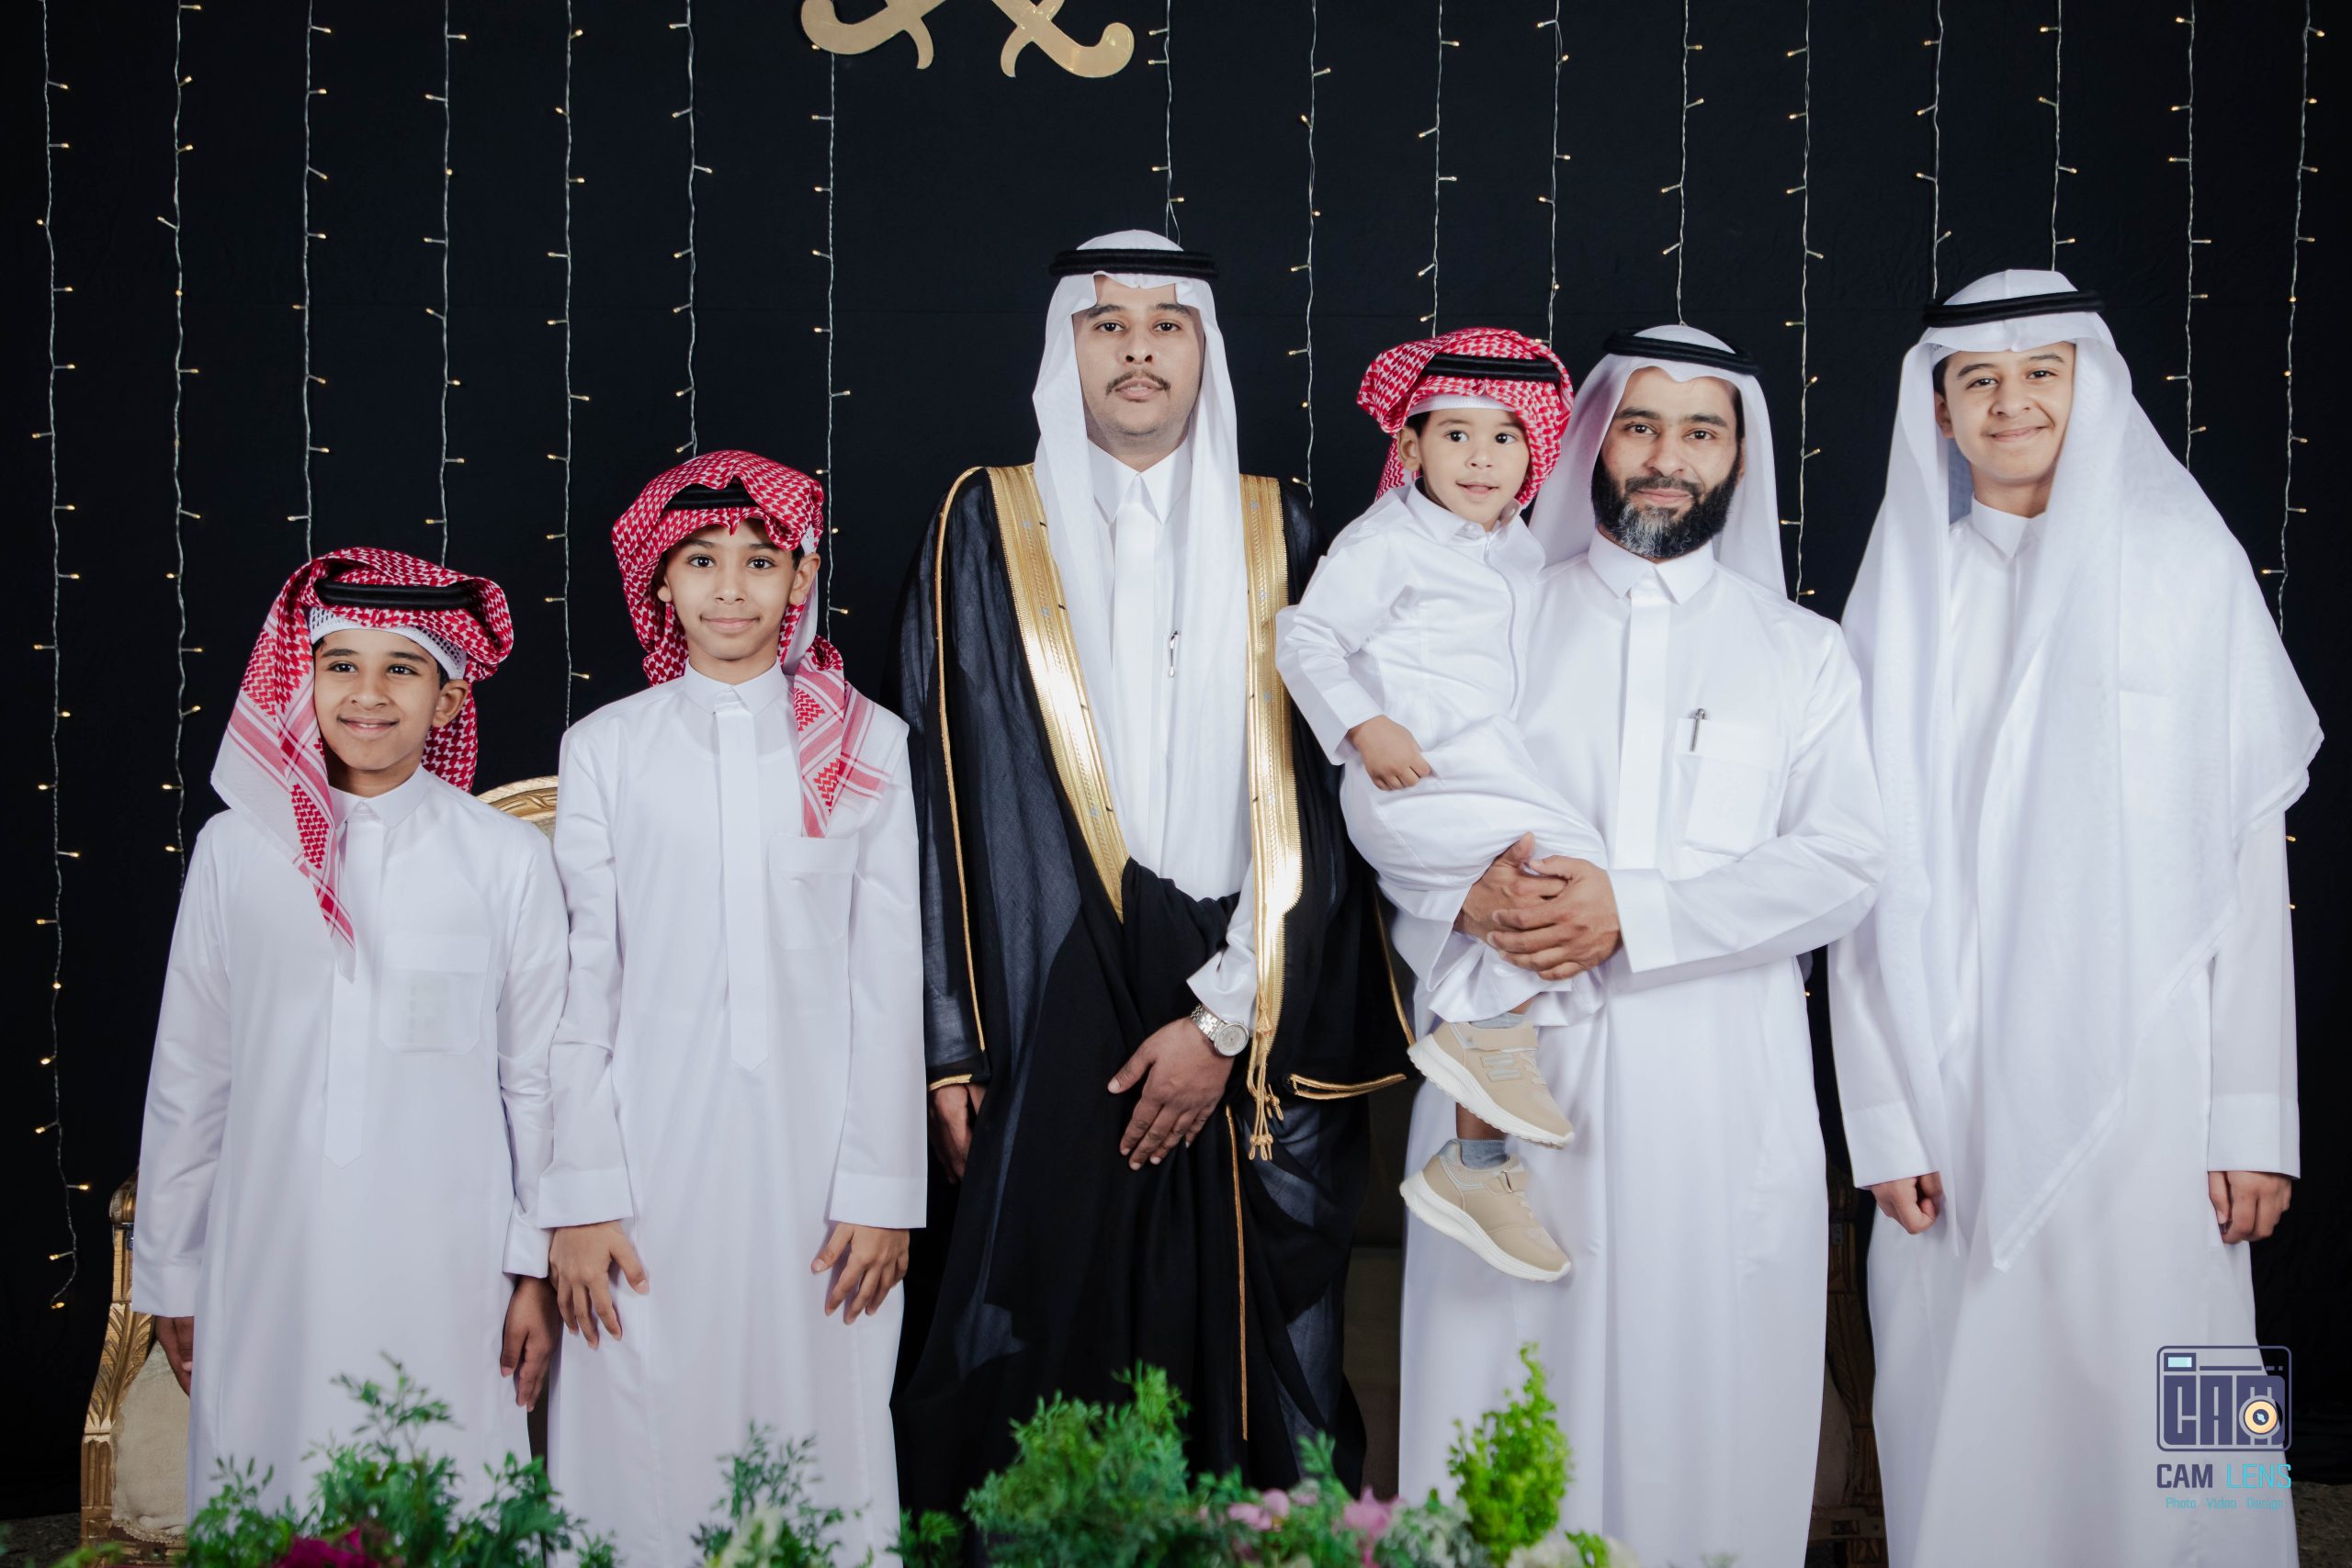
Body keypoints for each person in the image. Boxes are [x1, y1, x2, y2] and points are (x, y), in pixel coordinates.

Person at [892, 231, 1408, 1518]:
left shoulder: (1280, 524)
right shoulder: (984, 521)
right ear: (1065, 345)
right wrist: (951, 1041)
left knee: (1246, 1386)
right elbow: (939, 783)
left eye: (1166, 326)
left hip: (1243, 1008)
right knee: (1041, 1371)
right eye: (1107, 324)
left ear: (1204, 351)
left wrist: (1226, 1016)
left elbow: (1320, 805)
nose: (1137, 351)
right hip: (1041, 1006)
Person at [1830, 271, 2318, 1568]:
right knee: (1962, 1416)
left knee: (2190, 1396)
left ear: (2089, 386)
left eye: (2041, 371)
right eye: (1978, 379)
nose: (2012, 401)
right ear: (1940, 411)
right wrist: (1881, 1113)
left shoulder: (2186, 571)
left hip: (2161, 1087)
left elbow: (2243, 860)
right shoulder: (1900, 599)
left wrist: (2252, 1116)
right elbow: (1852, 873)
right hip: (1950, 1086)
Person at [1394, 326, 1885, 1568]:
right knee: (1501, 1397)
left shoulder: (1803, 652)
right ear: (1592, 443)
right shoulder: (1492, 617)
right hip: (1511, 1080)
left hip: (1720, 1091)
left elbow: (1844, 863)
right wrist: (1463, 899)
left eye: (1701, 430)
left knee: (1704, 1407)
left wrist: (1637, 910)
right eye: (1641, 426)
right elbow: (1399, 819)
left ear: (1737, 457)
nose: (1668, 457)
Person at [544, 451, 922, 1566]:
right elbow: (581, 984)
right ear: (661, 585)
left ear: (799, 579)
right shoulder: (605, 749)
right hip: (643, 1165)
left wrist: (882, 1192)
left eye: (759, 562)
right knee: (641, 1432)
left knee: (820, 1429)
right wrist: (579, 1197)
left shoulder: (867, 746)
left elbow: (887, 978)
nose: (729, 588)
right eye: (701, 561)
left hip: (821, 1172)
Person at [133, 548, 562, 1512]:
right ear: (306, 681)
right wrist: (170, 1269)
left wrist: (532, 1269)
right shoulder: (236, 847)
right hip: (267, 1248)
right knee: (268, 1492)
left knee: (441, 1500)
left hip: (450, 1262)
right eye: (341, 665)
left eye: (401, 668)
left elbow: (533, 1079)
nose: (368, 694)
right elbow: (191, 1073)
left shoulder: (503, 860)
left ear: (447, 702)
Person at [1276, 327, 1605, 1282]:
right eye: (1455, 435)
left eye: (1505, 438)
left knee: (1547, 894)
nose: (1480, 459)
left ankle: (1478, 1161)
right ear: (1411, 445)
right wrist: (1363, 725)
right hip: (1413, 784)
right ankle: (1488, 1062)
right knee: (1542, 884)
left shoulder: (1520, 552)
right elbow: (1305, 638)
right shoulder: (1385, 542)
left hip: (1488, 778)